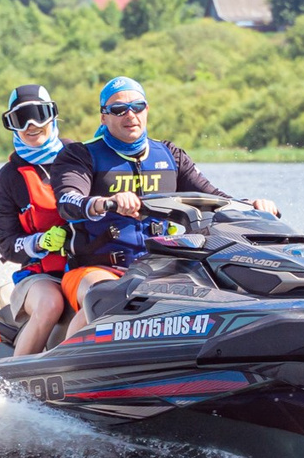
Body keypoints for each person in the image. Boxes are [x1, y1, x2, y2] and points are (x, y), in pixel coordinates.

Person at [52, 76, 279, 322]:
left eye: (137, 107)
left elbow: (212, 198)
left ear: (146, 110)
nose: (130, 115)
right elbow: (68, 201)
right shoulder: (79, 155)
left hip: (159, 267)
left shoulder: (171, 155)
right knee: (107, 298)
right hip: (94, 269)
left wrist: (250, 206)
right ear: (104, 117)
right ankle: (63, 359)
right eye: (119, 109)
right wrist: (103, 202)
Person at [0, 83, 74, 356]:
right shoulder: (8, 179)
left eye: (38, 114)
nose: (32, 125)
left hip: (86, 266)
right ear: (12, 125)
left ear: (53, 116)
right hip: (39, 276)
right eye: (21, 118)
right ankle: (17, 385)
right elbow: (5, 243)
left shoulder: (79, 156)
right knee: (50, 305)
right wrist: (39, 242)